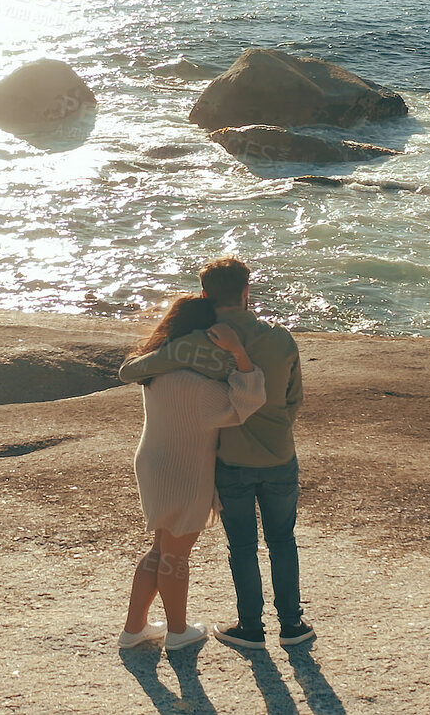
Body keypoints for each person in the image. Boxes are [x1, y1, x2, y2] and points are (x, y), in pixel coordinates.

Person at [119, 257, 312, 649]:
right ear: (247, 291)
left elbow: (133, 369)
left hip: (186, 463)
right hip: (236, 463)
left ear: (206, 295)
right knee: (275, 542)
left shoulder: (175, 360)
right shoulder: (273, 342)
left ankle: (140, 629)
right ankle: (282, 628)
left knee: (191, 548)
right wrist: (241, 357)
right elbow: (269, 399)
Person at [119, 294, 266, 651]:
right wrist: (240, 354)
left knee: (160, 548)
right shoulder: (201, 387)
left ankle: (134, 629)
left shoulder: (156, 371)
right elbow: (248, 401)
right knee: (175, 556)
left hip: (155, 463)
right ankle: (178, 632)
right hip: (183, 471)